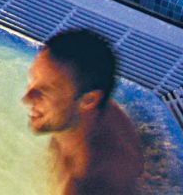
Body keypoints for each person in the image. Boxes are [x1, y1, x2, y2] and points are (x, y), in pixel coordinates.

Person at [22, 29, 145, 195]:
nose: (26, 98)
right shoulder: (96, 108)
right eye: (32, 79)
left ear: (89, 100)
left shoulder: (84, 184)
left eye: (46, 91)